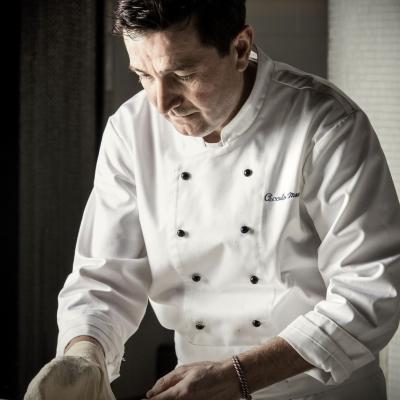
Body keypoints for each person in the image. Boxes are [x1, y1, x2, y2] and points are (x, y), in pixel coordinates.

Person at [25, 0, 400, 399]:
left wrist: (238, 375)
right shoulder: (131, 130)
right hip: (196, 387)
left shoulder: (327, 124)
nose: (161, 102)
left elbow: (369, 294)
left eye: (183, 74)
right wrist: (84, 354)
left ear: (239, 48)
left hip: (321, 391)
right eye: (144, 76)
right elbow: (105, 275)